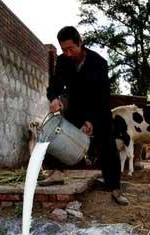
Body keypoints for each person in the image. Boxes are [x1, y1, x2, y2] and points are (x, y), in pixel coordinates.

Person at [47, 26, 129, 205]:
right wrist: (54, 99)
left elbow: (103, 96)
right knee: (57, 132)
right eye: (63, 49)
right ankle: (57, 172)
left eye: (71, 48)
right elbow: (54, 86)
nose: (67, 53)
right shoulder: (62, 61)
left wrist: (92, 120)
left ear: (80, 43)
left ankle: (115, 187)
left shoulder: (99, 63)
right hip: (76, 107)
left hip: (98, 109)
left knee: (108, 145)